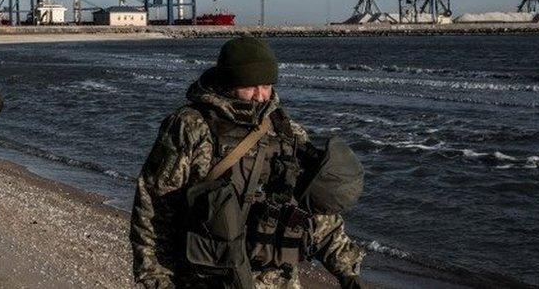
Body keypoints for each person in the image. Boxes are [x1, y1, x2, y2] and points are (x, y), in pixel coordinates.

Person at [130, 36, 366, 289]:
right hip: (208, 280)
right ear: (228, 81)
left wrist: (348, 272)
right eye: (250, 86)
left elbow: (315, 213)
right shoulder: (191, 127)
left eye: (266, 85)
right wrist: (156, 278)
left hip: (279, 280)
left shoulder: (286, 131)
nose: (260, 96)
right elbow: (154, 205)